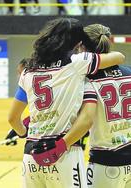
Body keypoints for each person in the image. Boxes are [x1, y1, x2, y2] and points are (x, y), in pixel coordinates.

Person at [7, 17, 125, 188]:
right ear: (77, 42)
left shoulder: (28, 70)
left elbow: (12, 118)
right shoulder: (78, 62)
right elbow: (119, 57)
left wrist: (23, 132)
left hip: (31, 156)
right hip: (65, 153)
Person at [51, 24, 131, 188]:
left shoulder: (84, 80)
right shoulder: (129, 73)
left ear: (81, 46)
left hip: (106, 161)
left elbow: (79, 118)